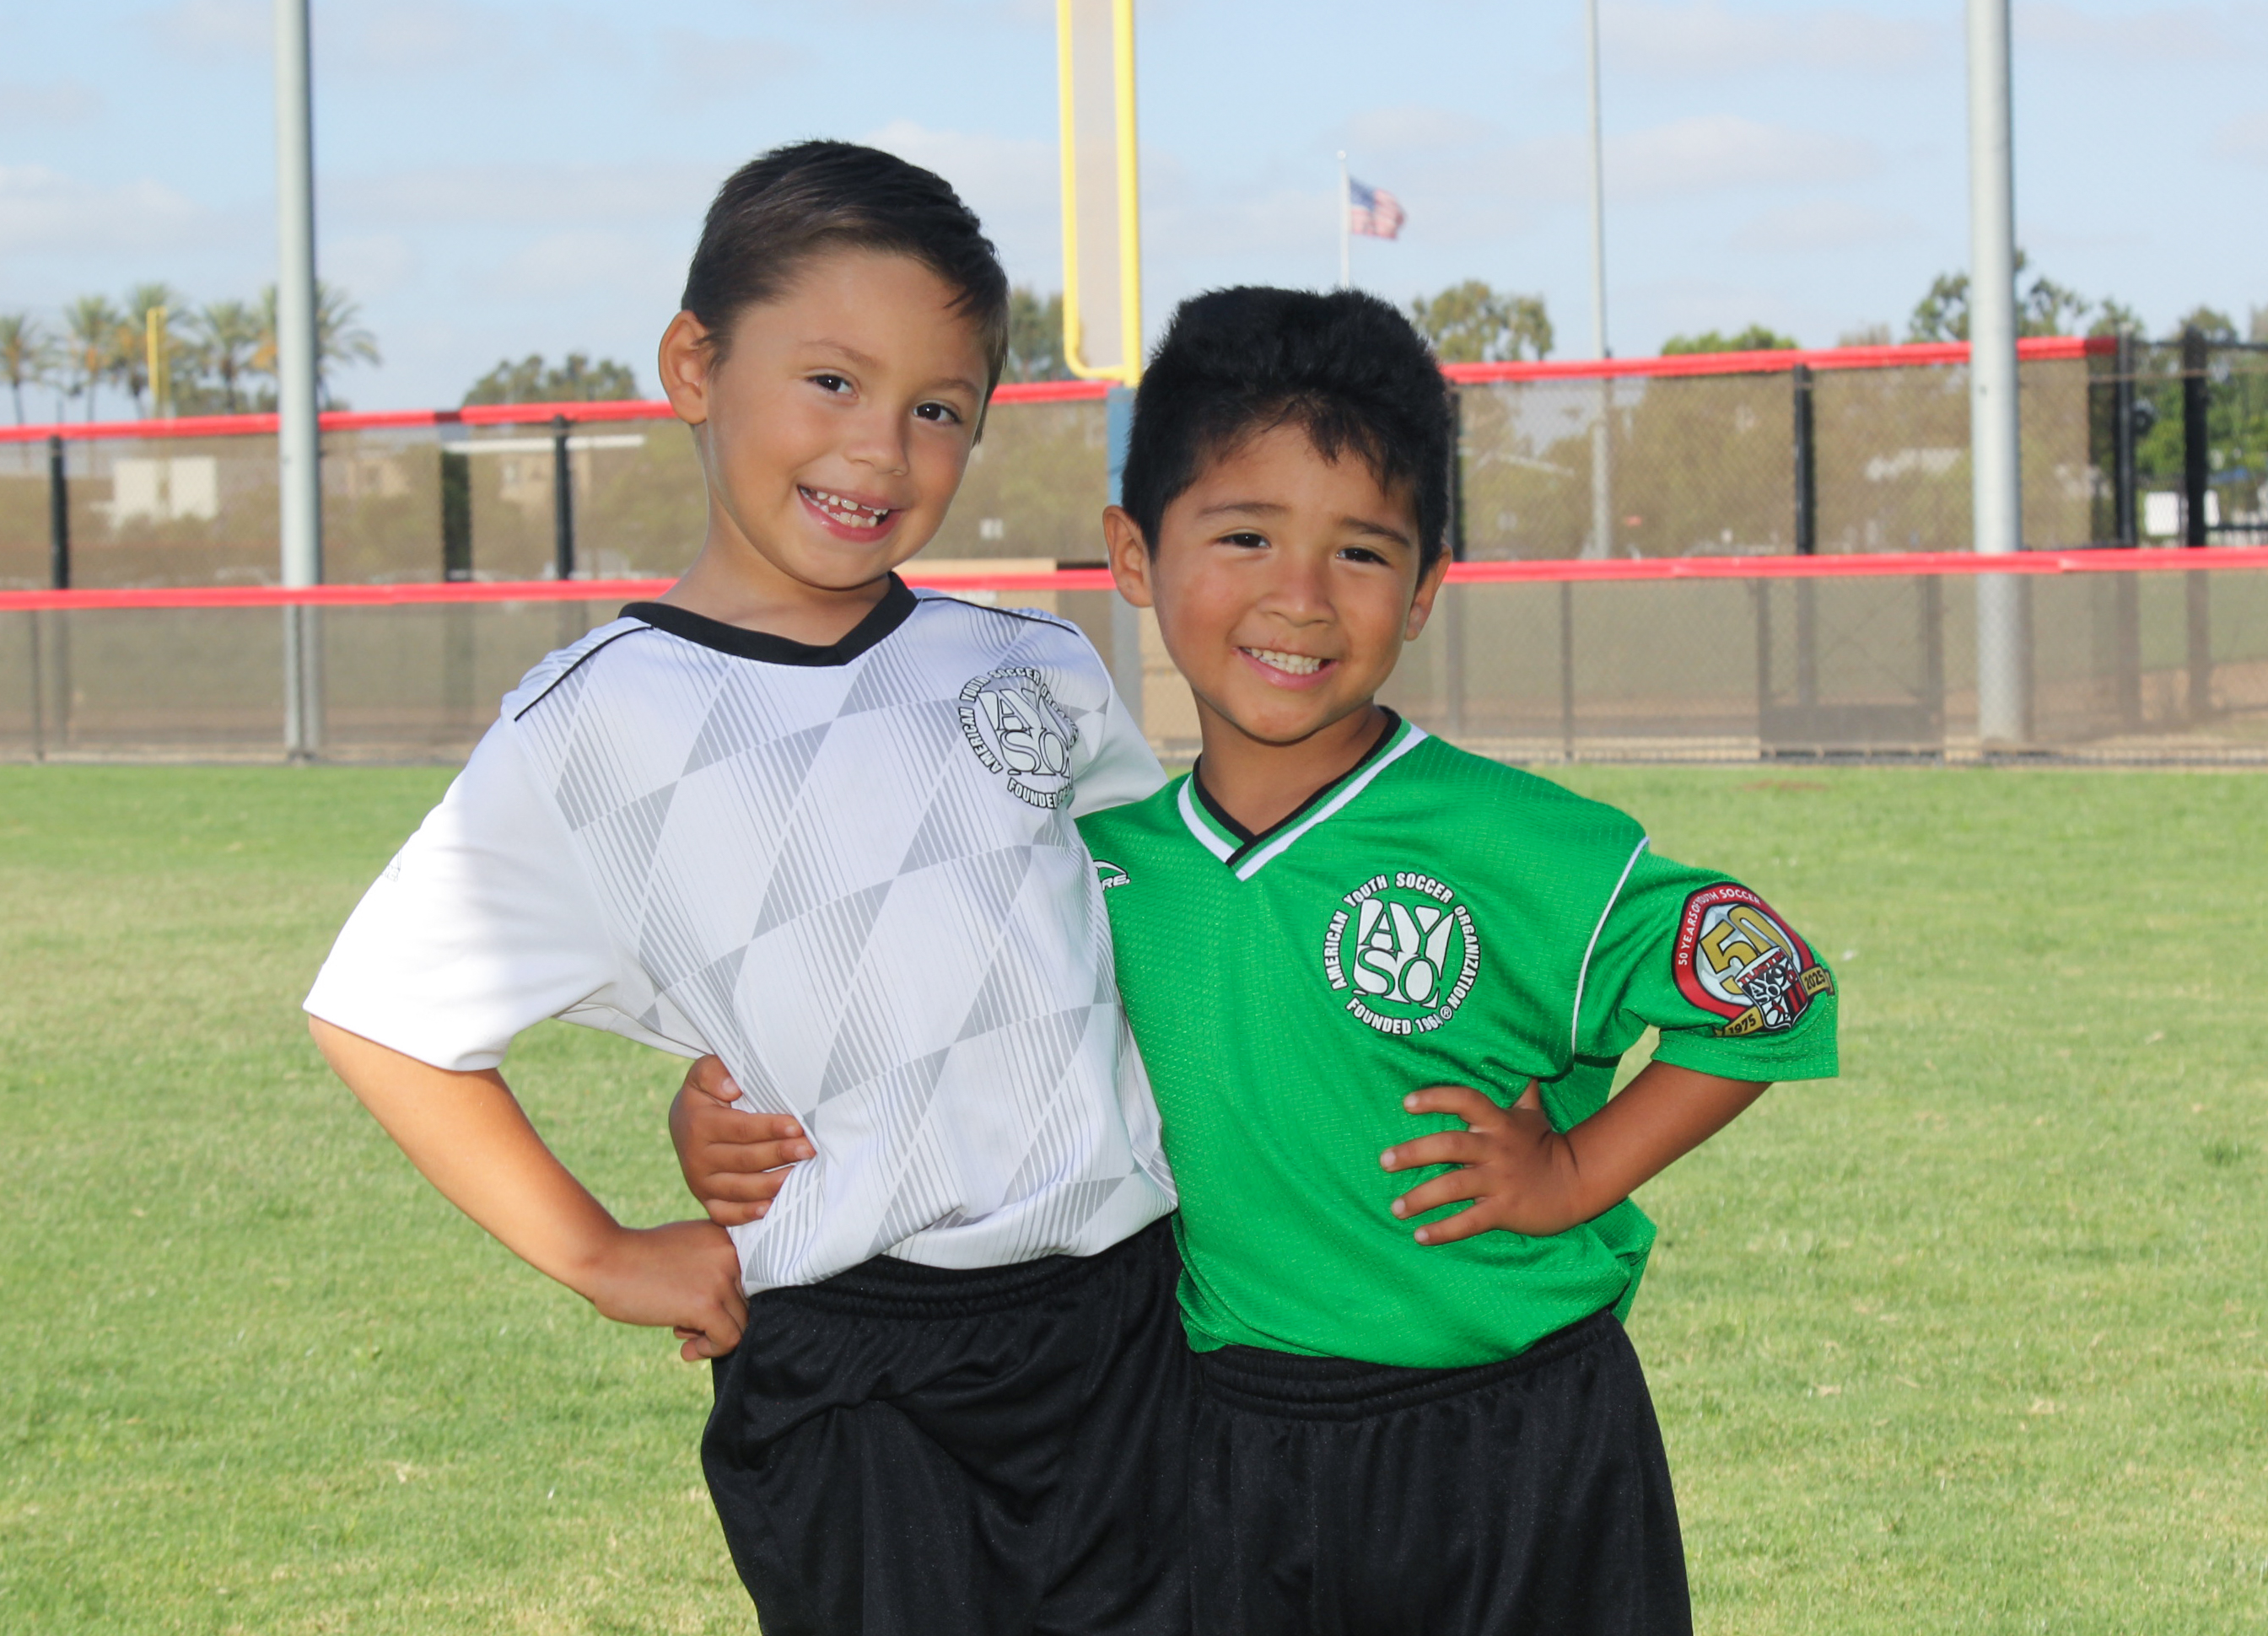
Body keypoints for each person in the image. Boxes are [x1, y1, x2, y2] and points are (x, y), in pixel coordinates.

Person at [677, 286, 1839, 1635]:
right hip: (1223, 1444)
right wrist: (720, 1120)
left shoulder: (1515, 844)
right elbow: (923, 1045)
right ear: (1134, 552)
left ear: (1426, 588)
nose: (1300, 597)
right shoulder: (1078, 861)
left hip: (1521, 1441)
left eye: (1362, 552)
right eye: (1244, 536)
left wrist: (1574, 1171)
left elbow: (1773, 987)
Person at [306, 142, 1190, 1636]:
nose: (880, 450)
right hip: (853, 1363)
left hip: (1130, 1326)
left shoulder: (1031, 665)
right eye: (832, 382)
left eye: (938, 410)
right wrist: (602, 1254)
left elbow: (1146, 942)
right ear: (694, 366)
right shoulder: (589, 726)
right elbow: (386, 1017)